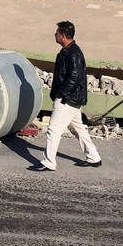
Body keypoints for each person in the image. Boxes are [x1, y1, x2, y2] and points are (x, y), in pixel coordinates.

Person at [32, 20, 101, 172]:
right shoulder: (69, 51)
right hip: (72, 98)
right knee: (78, 129)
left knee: (53, 130)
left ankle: (49, 162)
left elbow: (74, 78)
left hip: (67, 99)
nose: (54, 34)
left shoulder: (73, 53)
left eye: (57, 32)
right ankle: (94, 157)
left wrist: (61, 94)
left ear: (63, 35)